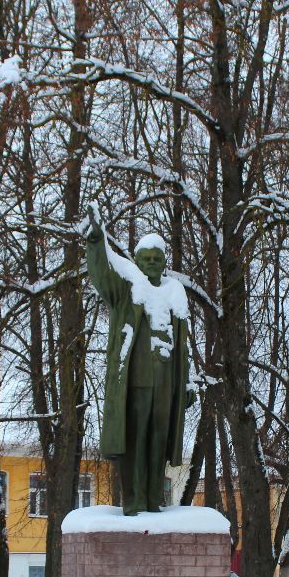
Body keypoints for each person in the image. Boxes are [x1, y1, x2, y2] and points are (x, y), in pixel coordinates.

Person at [83, 212, 195, 514]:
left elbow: (185, 344)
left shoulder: (175, 293)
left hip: (166, 385)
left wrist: (189, 381)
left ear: (164, 262)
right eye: (145, 258)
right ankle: (133, 501)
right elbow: (103, 275)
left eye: (157, 259)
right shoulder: (129, 288)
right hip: (135, 383)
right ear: (137, 260)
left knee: (159, 441)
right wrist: (96, 242)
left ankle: (152, 499)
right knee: (135, 441)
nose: (151, 263)